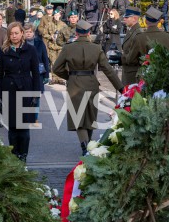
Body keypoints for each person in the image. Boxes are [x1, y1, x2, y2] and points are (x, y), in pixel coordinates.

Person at [52, 20, 124, 155]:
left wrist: (69, 77)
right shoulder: (96, 48)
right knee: (90, 118)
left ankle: (85, 146)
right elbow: (108, 70)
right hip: (91, 83)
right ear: (89, 33)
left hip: (74, 84)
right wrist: (121, 88)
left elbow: (56, 68)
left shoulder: (68, 48)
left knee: (78, 118)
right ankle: (89, 145)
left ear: (77, 33)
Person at [0, 22, 40, 162]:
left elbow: (36, 74)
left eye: (16, 33)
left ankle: (23, 156)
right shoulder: (4, 50)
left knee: (24, 128)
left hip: (26, 89)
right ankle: (14, 156)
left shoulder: (30, 50)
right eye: (11, 33)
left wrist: (35, 95)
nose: (14, 36)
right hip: (9, 90)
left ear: (22, 33)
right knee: (13, 128)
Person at [24, 23, 49, 124]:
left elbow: (45, 59)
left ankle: (35, 117)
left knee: (36, 96)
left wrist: (46, 75)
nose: (28, 34)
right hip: (25, 73)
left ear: (33, 32)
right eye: (26, 32)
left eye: (30, 32)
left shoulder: (39, 43)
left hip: (38, 73)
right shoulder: (21, 43)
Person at [43, 10, 67, 85]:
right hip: (52, 46)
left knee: (61, 63)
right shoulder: (49, 24)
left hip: (60, 47)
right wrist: (50, 37)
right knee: (53, 62)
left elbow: (67, 35)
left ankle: (60, 78)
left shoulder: (63, 25)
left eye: (58, 15)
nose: (56, 16)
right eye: (55, 15)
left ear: (60, 15)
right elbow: (44, 34)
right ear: (53, 16)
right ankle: (54, 78)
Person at [120, 6, 143, 85]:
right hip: (128, 70)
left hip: (133, 72)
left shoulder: (138, 32)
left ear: (134, 18)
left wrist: (121, 58)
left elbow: (136, 54)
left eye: (127, 17)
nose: (124, 19)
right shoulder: (131, 30)